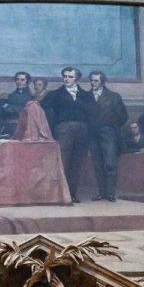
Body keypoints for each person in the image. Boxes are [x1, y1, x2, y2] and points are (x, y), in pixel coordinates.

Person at [42, 66, 93, 201]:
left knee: (77, 163)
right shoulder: (55, 94)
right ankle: (60, 194)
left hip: (82, 130)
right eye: (65, 76)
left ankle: (72, 194)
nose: (66, 79)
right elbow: (41, 107)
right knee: (63, 161)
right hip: (63, 129)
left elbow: (94, 112)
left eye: (70, 77)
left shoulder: (87, 95)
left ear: (76, 78)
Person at [85, 70, 128, 202]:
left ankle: (110, 193)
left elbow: (123, 116)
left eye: (96, 81)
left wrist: (109, 125)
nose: (93, 83)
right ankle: (102, 193)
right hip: (92, 134)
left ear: (103, 82)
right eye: (91, 80)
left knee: (110, 164)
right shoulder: (85, 96)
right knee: (98, 165)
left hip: (108, 134)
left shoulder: (114, 97)